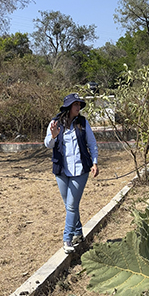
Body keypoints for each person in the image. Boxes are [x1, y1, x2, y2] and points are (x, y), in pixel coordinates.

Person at [45, 93, 100, 254]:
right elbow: (48, 144)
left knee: (71, 205)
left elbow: (92, 143)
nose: (78, 107)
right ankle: (78, 232)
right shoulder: (55, 123)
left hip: (80, 170)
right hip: (61, 170)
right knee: (70, 205)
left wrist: (95, 162)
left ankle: (67, 238)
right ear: (68, 107)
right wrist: (53, 136)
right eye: (76, 104)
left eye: (79, 104)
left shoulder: (82, 123)